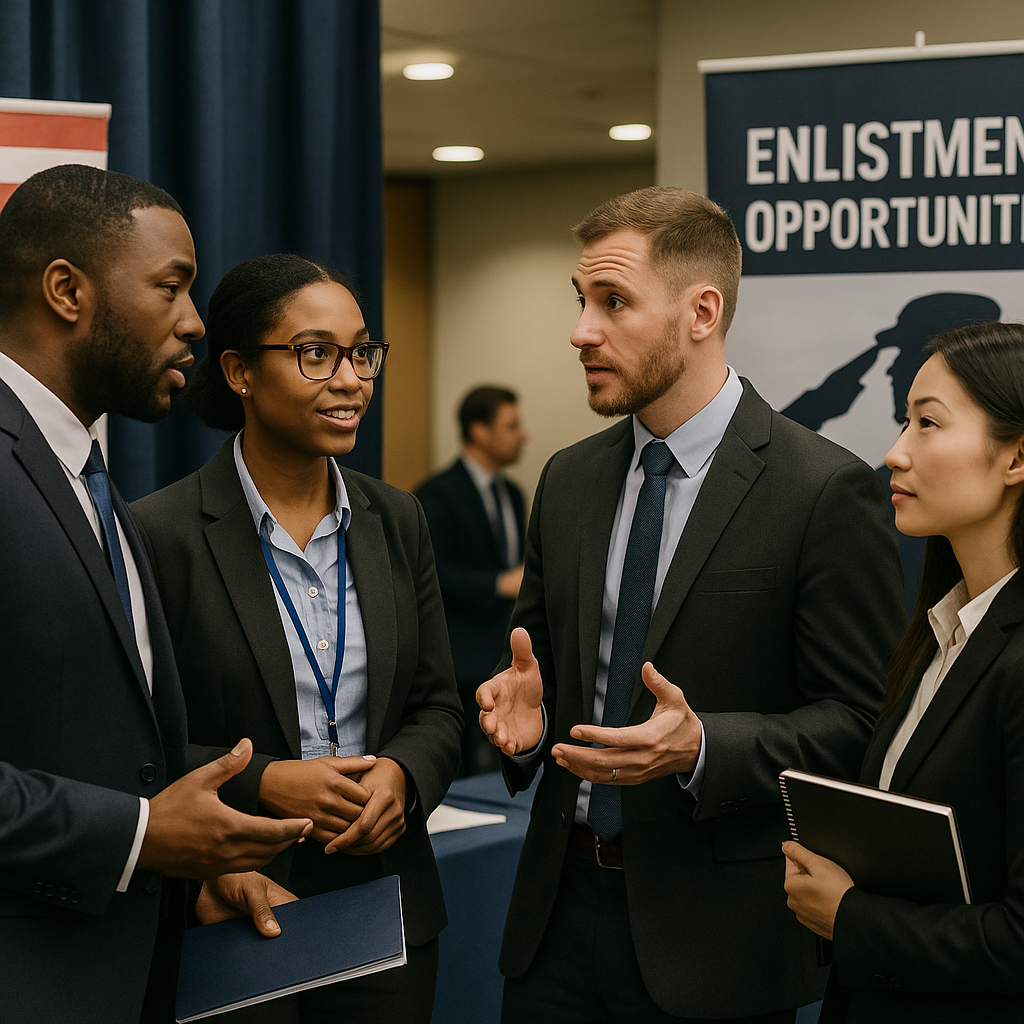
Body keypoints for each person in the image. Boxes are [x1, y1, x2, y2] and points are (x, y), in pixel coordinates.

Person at [475, 185, 906, 1023]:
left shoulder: (823, 491)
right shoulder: (567, 480)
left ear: (701, 311)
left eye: (613, 302)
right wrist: (518, 716)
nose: (580, 332)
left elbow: (860, 723)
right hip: (554, 923)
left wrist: (704, 744)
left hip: (719, 943)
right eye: (580, 301)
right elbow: (538, 666)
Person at [0, 165, 314, 1024]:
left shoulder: (93, 481)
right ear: (67, 290)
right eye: (171, 287)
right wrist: (140, 839)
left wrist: (194, 865)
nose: (195, 322)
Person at [130, 253, 463, 1023]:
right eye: (316, 353)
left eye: (362, 353)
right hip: (238, 895)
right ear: (241, 370)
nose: (350, 379)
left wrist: (405, 779)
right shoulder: (158, 534)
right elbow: (134, 747)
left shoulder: (398, 520)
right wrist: (266, 780)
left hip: (388, 899)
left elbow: (438, 707)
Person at [784, 321, 1024, 1024]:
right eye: (903, 421)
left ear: (1016, 458)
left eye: (927, 424)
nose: (894, 452)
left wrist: (851, 918)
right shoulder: (939, 632)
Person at [416, 385, 527, 775]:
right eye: (512, 426)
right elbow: (431, 574)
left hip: (505, 656)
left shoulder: (513, 493)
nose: (523, 435)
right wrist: (498, 584)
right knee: (461, 769)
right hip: (458, 660)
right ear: (479, 432)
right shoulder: (437, 495)